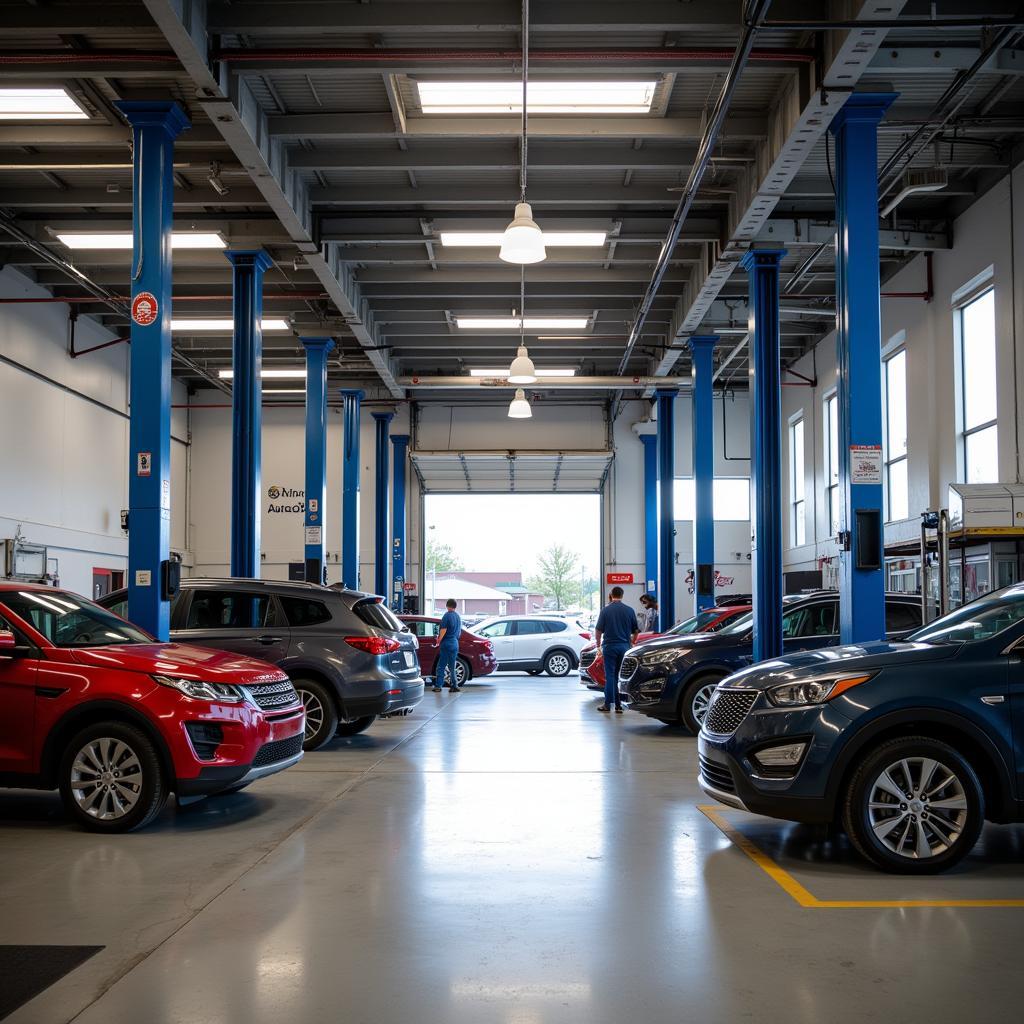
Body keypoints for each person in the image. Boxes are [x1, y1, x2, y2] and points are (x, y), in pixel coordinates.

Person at [594, 586, 639, 713]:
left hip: (609, 647)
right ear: (622, 595)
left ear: (611, 594)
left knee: (610, 676)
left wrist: (598, 646)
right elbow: (636, 631)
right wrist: (632, 642)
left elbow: (598, 631)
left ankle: (608, 704)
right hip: (624, 647)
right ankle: (619, 705)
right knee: (620, 676)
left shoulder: (605, 611)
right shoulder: (629, 610)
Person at [434, 598, 462, 693]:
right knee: (452, 666)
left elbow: (443, 630)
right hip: (455, 643)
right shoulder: (458, 617)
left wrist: (439, 639)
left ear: (447, 606)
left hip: (446, 642)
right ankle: (454, 685)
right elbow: (459, 632)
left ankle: (438, 686)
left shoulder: (447, 615)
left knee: (441, 665)